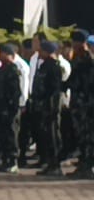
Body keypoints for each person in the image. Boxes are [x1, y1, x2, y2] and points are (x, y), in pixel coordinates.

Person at [0, 43, 24, 174]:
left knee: (11, 134)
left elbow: (16, 92)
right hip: (0, 107)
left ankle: (13, 161)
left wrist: (12, 107)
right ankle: (4, 160)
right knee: (1, 135)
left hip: (10, 109)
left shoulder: (13, 70)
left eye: (2, 53)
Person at [33, 41, 65, 177]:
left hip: (50, 108)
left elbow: (55, 90)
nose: (39, 53)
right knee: (45, 137)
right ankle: (49, 163)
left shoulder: (54, 67)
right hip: (43, 107)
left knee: (53, 136)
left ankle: (56, 165)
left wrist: (51, 107)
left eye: (41, 50)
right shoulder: (44, 66)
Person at [65, 32, 94, 179]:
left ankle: (89, 166)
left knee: (89, 137)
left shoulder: (89, 60)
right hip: (78, 104)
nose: (73, 46)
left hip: (88, 106)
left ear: (81, 43)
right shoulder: (78, 59)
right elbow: (72, 80)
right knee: (81, 137)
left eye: (74, 42)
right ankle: (83, 165)